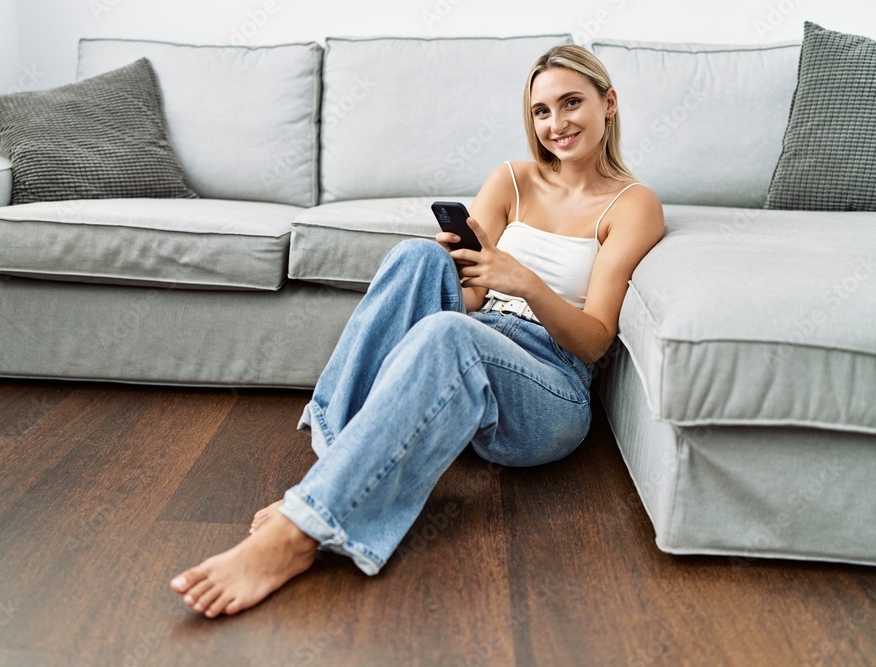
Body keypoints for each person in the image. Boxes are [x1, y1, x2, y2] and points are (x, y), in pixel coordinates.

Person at [170, 43, 665, 618]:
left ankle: (298, 534)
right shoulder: (512, 179)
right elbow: (475, 297)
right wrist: (460, 269)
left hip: (551, 386)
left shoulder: (633, 204)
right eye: (541, 111)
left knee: (451, 334)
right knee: (417, 258)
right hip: (477, 344)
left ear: (609, 103)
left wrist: (525, 281)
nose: (557, 124)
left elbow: (596, 339)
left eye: (572, 103)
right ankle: (331, 471)